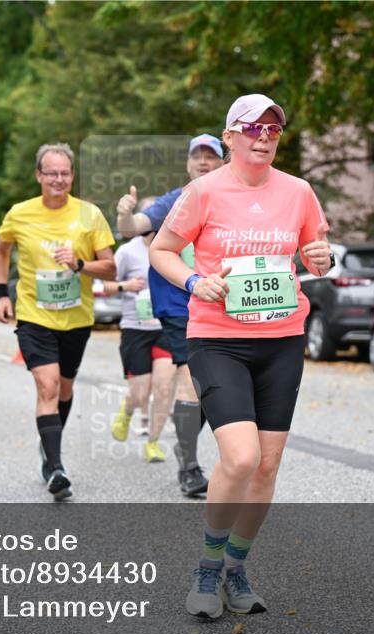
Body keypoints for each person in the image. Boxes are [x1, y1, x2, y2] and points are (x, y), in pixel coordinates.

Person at [148, 94, 333, 618]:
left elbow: (316, 257)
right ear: (230, 136)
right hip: (218, 339)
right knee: (242, 456)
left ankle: (236, 566)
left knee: (268, 465)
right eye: (253, 128)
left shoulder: (298, 192)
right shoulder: (202, 191)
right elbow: (161, 250)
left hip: (281, 339)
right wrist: (193, 281)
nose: (264, 136)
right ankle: (206, 569)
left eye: (274, 129)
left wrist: (322, 258)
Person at [0, 143, 116, 501]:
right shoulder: (19, 213)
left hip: (76, 317)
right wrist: (3, 293)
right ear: (38, 176)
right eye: (51, 173)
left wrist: (80, 265)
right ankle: (56, 467)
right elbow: (1, 251)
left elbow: (109, 266)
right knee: (46, 387)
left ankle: (48, 446)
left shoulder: (90, 215)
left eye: (65, 173)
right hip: (34, 314)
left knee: (63, 389)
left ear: (72, 176)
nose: (58, 179)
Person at [116, 134, 226, 496]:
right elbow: (133, 228)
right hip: (180, 305)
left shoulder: (233, 198)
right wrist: (124, 215)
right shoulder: (176, 199)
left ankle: (184, 444)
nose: (204, 162)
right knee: (193, 379)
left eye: (211, 156)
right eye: (198, 156)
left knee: (213, 386)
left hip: (225, 304)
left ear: (224, 161)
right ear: (188, 163)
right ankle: (190, 467)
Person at [103, 214, 176, 464]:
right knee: (140, 391)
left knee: (164, 388)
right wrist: (126, 286)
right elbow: (105, 286)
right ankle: (127, 410)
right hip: (135, 329)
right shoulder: (126, 252)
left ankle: (153, 443)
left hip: (166, 327)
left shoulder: (176, 249)